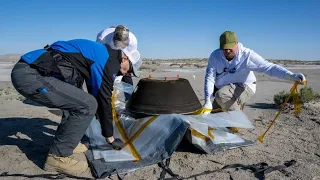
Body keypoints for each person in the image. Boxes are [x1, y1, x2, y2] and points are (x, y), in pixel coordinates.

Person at [10, 39, 141, 175]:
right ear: (124, 57)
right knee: (88, 104)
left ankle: (68, 142)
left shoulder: (103, 54)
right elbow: (103, 100)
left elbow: (96, 92)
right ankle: (58, 157)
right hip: (31, 75)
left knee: (77, 101)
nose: (127, 74)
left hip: (32, 70)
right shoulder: (110, 61)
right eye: (129, 69)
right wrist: (110, 137)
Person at [203, 31, 306, 113]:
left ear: (237, 44)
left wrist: (291, 75)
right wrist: (207, 100)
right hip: (224, 87)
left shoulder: (247, 55)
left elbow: (269, 67)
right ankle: (231, 113)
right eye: (225, 48)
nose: (228, 51)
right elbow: (210, 77)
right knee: (214, 112)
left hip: (245, 86)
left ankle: (237, 121)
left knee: (221, 96)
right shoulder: (215, 56)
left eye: (230, 48)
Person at [96, 25, 141, 100]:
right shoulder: (102, 37)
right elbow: (100, 55)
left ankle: (129, 100)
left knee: (126, 73)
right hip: (108, 53)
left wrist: (125, 68)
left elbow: (131, 57)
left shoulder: (133, 41)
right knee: (108, 76)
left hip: (125, 54)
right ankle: (107, 99)